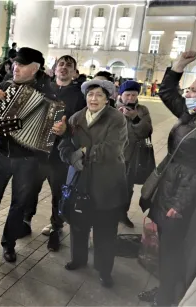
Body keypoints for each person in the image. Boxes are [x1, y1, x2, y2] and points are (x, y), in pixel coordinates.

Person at [0, 48, 67, 263]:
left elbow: (53, 132)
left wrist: (60, 130)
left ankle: (8, 245)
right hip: (1, 154)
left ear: (35, 68)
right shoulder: (5, 84)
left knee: (19, 204)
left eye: (21, 65)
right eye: (15, 64)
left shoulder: (50, 93)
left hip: (29, 160)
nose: (15, 68)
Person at [139, 51, 196, 306]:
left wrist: (180, 203)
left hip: (181, 195)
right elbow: (167, 92)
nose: (187, 94)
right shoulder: (192, 116)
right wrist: (179, 65)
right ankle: (166, 290)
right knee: (167, 246)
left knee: (174, 250)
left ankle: (166, 297)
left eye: (194, 91)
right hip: (170, 185)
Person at [58, 79, 128, 288]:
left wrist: (83, 152)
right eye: (90, 94)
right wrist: (71, 157)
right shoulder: (76, 117)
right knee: (79, 223)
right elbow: (64, 145)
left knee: (105, 229)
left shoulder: (116, 119)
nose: (93, 98)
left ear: (107, 99)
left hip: (107, 182)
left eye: (99, 95)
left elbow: (113, 148)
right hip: (80, 179)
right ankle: (78, 259)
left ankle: (104, 269)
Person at [23, 55, 86, 251]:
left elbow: (82, 126)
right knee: (30, 189)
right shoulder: (43, 89)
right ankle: (25, 221)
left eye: (69, 65)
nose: (64, 68)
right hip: (37, 151)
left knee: (58, 193)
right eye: (61, 64)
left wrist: (66, 129)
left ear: (75, 72)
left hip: (59, 155)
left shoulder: (79, 96)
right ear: (54, 69)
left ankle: (56, 228)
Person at [116, 80, 152, 228]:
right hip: (111, 156)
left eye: (134, 95)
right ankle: (105, 214)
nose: (130, 98)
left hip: (131, 156)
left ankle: (122, 214)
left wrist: (135, 118)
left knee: (127, 188)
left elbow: (146, 132)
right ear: (121, 95)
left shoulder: (142, 110)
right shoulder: (111, 107)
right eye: (127, 95)